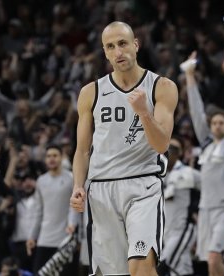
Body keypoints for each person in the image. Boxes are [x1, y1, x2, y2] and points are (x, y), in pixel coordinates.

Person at [69, 21, 178, 276]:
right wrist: (77, 185)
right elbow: (82, 150)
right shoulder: (90, 92)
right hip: (101, 190)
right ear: (105, 52)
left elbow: (161, 144)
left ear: (136, 45)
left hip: (142, 186)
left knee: (141, 269)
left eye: (123, 43)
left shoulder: (162, 87)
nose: (118, 52)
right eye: (110, 46)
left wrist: (143, 113)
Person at [183, 50, 224, 276]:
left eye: (222, 122)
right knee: (208, 262)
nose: (217, 125)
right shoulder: (208, 144)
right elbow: (197, 113)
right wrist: (190, 77)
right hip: (205, 209)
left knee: (214, 258)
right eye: (215, 123)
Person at [26, 145, 78, 275]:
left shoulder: (71, 178)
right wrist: (32, 236)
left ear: (61, 157)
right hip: (44, 238)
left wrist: (72, 224)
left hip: (65, 239)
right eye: (48, 156)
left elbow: (74, 206)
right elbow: (38, 212)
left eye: (55, 155)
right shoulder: (41, 181)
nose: (51, 159)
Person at [159, 137, 200, 276]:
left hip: (183, 228)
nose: (167, 153)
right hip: (165, 231)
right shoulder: (157, 175)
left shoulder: (188, 173)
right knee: (181, 267)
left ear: (178, 153)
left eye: (171, 150)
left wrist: (196, 211)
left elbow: (208, 189)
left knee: (165, 264)